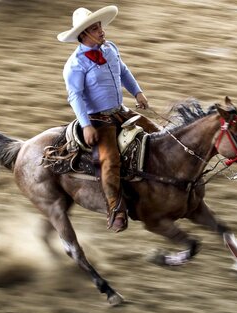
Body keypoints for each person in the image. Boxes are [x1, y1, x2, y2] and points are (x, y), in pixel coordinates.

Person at [57, 5, 159, 233]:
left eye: (100, 25)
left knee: (157, 133)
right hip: (98, 119)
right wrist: (86, 125)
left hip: (120, 111)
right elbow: (75, 96)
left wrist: (138, 92)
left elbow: (123, 71)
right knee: (110, 160)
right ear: (83, 34)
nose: (101, 30)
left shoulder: (110, 48)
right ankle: (116, 209)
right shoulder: (75, 64)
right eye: (95, 27)